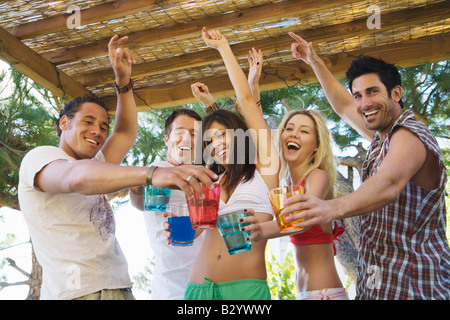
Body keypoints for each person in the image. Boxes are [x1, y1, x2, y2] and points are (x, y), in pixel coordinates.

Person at [18, 35, 217, 300]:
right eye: (88, 122)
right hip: (79, 292)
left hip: (118, 288)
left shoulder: (94, 164)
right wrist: (152, 174)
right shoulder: (42, 157)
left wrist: (123, 83)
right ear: (64, 123)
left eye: (102, 126)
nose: (97, 132)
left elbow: (124, 132)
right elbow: (74, 177)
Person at [281, 32, 450, 299]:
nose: (364, 103)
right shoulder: (381, 136)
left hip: (415, 287)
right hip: (378, 289)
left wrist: (329, 208)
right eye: (359, 95)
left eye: (372, 92)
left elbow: (390, 183)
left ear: (396, 93)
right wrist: (314, 61)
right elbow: (343, 105)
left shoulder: (409, 134)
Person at [233, 45, 348, 300]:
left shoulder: (318, 177)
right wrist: (253, 84)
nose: (294, 133)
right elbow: (258, 129)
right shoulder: (284, 182)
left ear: (316, 144)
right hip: (304, 294)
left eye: (304, 131)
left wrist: (261, 230)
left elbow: (300, 220)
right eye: (289, 128)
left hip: (326, 294)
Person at [175, 28, 278, 300]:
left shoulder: (265, 168)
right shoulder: (213, 183)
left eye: (222, 136)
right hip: (197, 290)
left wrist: (223, 48)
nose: (217, 144)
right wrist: (185, 228)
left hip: (245, 293)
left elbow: (245, 101)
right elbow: (196, 233)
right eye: (209, 141)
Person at [129, 108, 208, 300]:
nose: (187, 139)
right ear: (166, 139)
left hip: (212, 285)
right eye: (180, 132)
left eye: (194, 134)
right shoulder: (157, 172)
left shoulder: (208, 176)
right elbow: (140, 201)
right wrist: (138, 187)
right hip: (172, 290)